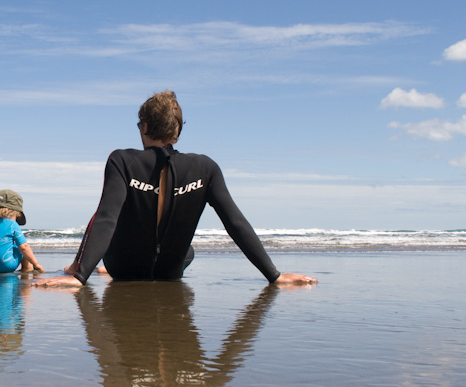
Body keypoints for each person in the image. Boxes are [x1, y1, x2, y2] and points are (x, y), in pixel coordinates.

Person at [34, 91, 316, 287]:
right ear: (178, 129)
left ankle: (82, 266)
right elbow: (235, 222)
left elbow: (107, 217)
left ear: (143, 125)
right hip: (170, 271)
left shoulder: (122, 160)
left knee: (103, 218)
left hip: (124, 267)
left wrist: (79, 277)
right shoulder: (206, 168)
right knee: (187, 250)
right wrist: (274, 276)